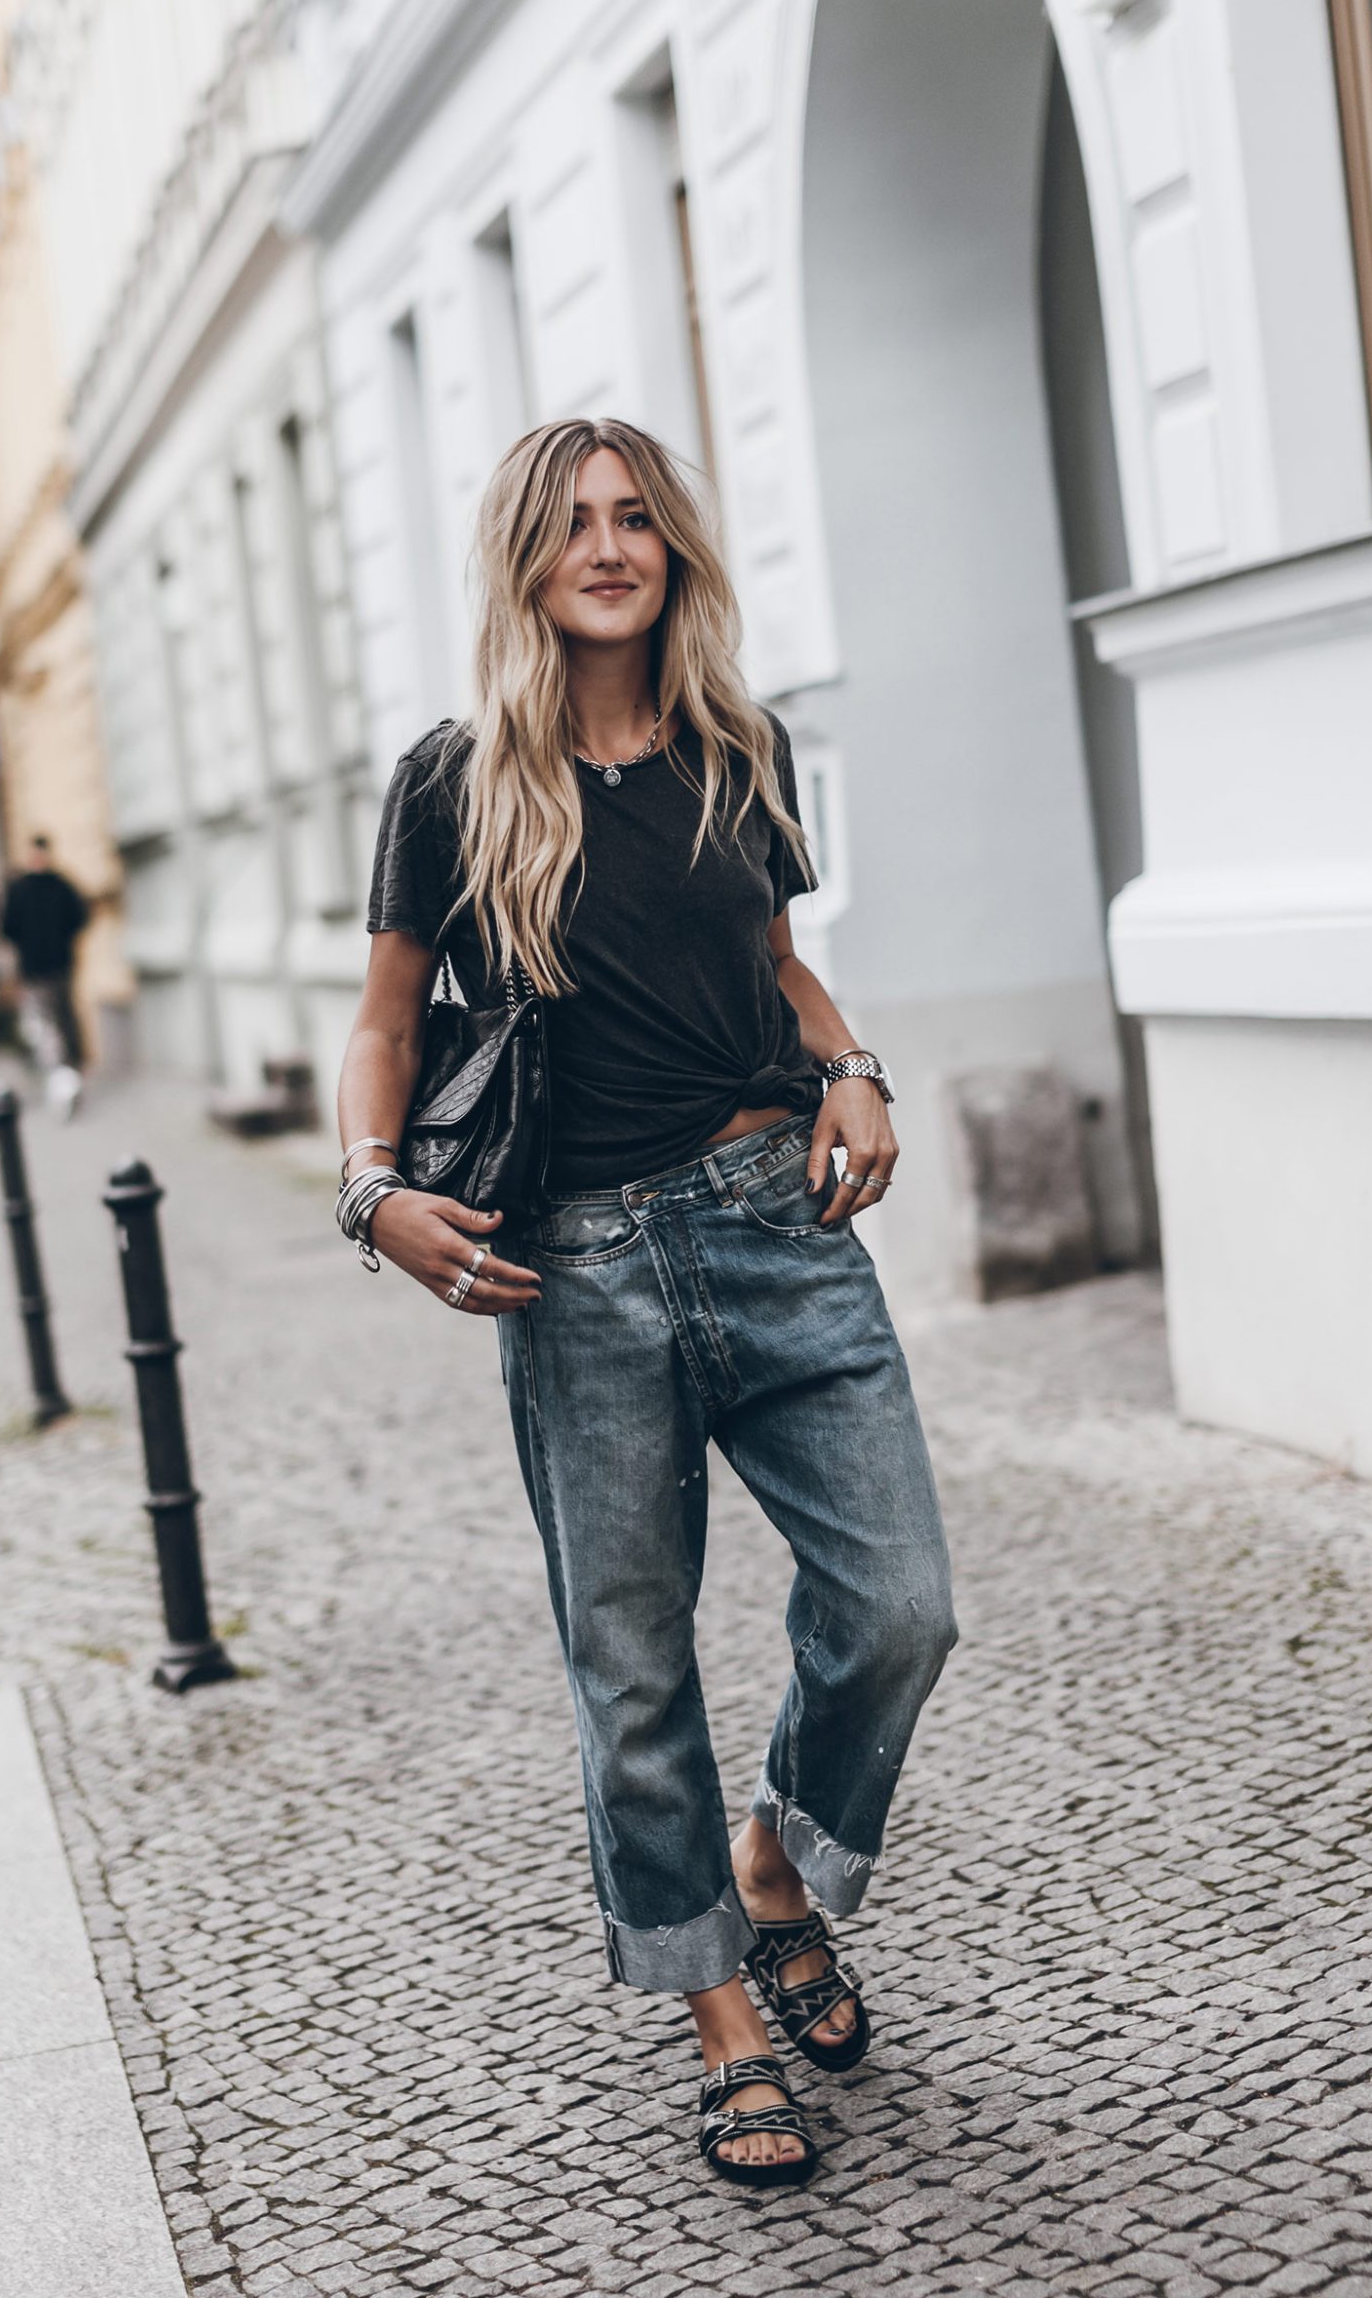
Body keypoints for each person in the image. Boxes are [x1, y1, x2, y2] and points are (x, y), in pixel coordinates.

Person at [337, 417, 956, 2187]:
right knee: (631, 1676)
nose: (607, 547)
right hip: (579, 1269)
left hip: (779, 1223)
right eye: (572, 523)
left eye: (634, 519)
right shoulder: (454, 783)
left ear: (670, 548)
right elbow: (381, 1023)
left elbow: (773, 965)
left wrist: (852, 1068)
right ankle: (717, 2018)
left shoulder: (733, 748)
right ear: (525, 559)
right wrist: (373, 1194)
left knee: (900, 1604)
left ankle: (777, 1872)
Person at [0, 835, 89, 1118]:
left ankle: (68, 1070)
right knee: (46, 1021)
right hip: (35, 968)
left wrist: (62, 939)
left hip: (59, 964)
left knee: (63, 1017)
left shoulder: (60, 885)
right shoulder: (20, 889)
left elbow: (79, 917)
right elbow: (8, 927)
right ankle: (58, 1072)